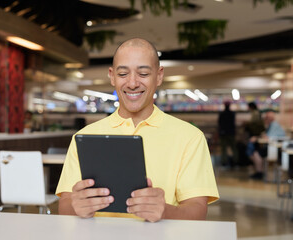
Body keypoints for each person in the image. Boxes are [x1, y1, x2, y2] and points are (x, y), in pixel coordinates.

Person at [56, 38, 219, 222]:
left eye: (143, 73)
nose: (132, 83)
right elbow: (65, 204)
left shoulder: (190, 137)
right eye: (123, 73)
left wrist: (164, 211)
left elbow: (197, 209)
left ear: (159, 76)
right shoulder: (84, 136)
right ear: (112, 76)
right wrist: (76, 205)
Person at [248, 110, 286, 179]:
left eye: (266, 118)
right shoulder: (272, 125)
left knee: (256, 153)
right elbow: (265, 135)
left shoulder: (274, 125)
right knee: (254, 152)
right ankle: (259, 171)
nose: (265, 119)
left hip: (275, 149)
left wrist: (257, 137)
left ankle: (259, 173)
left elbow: (267, 137)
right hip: (273, 147)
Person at [218, 101, 238, 168]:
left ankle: (224, 162)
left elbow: (220, 123)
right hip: (231, 133)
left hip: (223, 133)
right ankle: (235, 161)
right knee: (233, 147)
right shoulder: (232, 113)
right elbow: (233, 123)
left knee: (224, 148)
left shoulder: (222, 114)